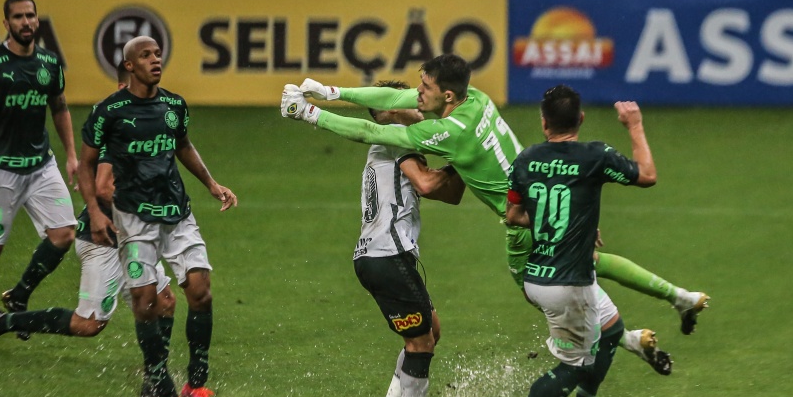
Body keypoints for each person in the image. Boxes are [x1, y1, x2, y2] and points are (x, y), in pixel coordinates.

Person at [280, 55, 708, 337]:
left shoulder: (448, 131)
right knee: (588, 263)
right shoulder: (477, 99)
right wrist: (335, 93)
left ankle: (622, 337)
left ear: (445, 95)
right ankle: (675, 299)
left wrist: (311, 113)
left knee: (538, 288)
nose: (419, 92)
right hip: (545, 191)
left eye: (425, 87)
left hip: (521, 219)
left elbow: (376, 131)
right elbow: (395, 97)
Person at [0, 66, 178, 397]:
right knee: (88, 324)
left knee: (165, 301)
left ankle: (153, 390)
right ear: (124, 86)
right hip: (105, 240)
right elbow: (106, 186)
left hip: (131, 236)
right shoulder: (118, 124)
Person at [487, 85, 656, 397]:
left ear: (543, 122)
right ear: (580, 119)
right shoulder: (594, 155)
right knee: (574, 366)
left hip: (538, 275)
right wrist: (635, 126)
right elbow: (646, 175)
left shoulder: (526, 158)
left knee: (611, 330)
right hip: (570, 284)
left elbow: (514, 217)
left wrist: (567, 226)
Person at [78, 35, 237, 397]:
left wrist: (211, 183)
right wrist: (96, 212)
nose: (155, 60)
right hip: (134, 222)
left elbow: (183, 146)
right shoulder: (108, 112)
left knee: (200, 290)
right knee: (146, 304)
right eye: (146, 55)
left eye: (157, 54)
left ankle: (197, 385)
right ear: (129, 65)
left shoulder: (174, 105)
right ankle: (165, 394)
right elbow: (86, 165)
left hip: (177, 213)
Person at [348, 81, 466, 397]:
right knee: (421, 344)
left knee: (431, 329)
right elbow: (430, 184)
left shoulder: (386, 142)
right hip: (389, 256)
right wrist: (465, 154)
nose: (419, 107)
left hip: (381, 256)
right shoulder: (397, 137)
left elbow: (450, 193)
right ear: (391, 111)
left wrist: (465, 165)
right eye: (410, 103)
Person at [0, 0, 77, 347]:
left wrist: (71, 153)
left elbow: (59, 107)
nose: (26, 22)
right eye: (19, 17)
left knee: (64, 234)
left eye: (31, 16)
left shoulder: (49, 63)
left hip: (41, 166)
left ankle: (20, 295)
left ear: (37, 20)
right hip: (2, 172)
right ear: (6, 23)